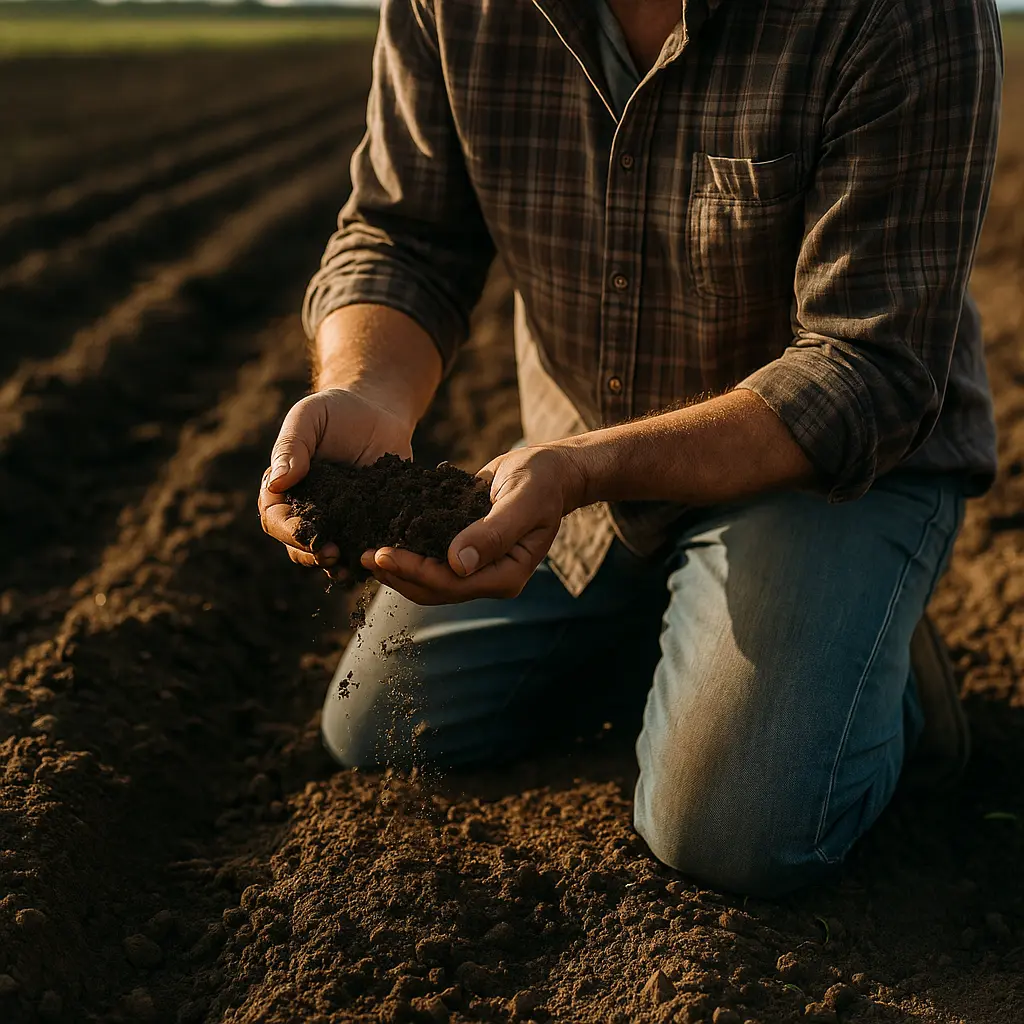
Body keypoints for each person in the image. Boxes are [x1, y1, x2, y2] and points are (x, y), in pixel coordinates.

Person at [259, 0, 1002, 896]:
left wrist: (584, 468)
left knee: (730, 829)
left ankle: (868, 656)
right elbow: (402, 238)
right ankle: (708, 636)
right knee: (377, 728)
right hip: (579, 455)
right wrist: (365, 391)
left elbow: (867, 367)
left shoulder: (898, 14)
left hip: (829, 471)